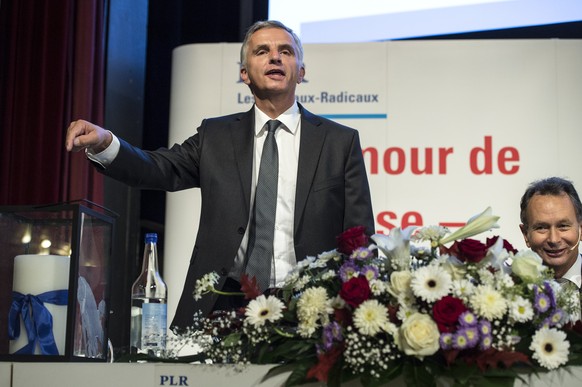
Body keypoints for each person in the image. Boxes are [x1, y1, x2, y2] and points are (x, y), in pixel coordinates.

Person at [65, 20, 375, 331]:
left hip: (311, 307)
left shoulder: (338, 142)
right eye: (262, 51)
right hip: (224, 304)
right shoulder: (215, 136)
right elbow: (160, 167)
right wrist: (106, 143)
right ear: (244, 73)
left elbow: (360, 238)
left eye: (286, 51)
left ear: (302, 72)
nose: (275, 58)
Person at [519, 177, 582, 290]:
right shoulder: (511, 288)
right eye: (542, 227)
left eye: (563, 226)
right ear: (525, 234)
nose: (554, 239)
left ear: (581, 229)